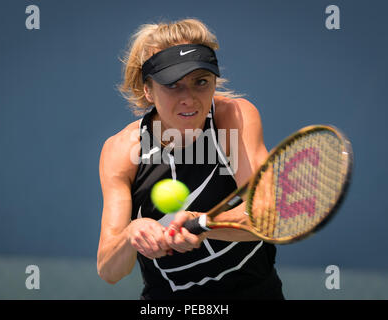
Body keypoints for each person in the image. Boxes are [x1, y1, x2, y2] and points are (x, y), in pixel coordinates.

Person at [97, 18, 284, 300]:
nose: (190, 98)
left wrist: (203, 223)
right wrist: (132, 235)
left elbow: (268, 218)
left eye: (201, 82)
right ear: (148, 89)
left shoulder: (234, 118)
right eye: (173, 85)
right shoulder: (121, 151)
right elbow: (109, 270)